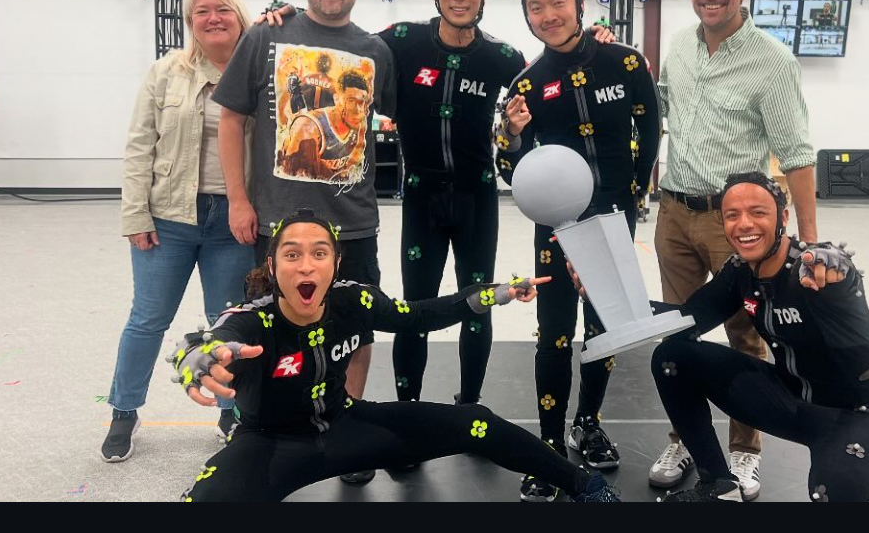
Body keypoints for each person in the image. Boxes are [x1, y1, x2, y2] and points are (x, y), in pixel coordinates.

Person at [260, 0, 615, 408]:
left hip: (477, 197)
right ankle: (409, 410)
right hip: (421, 198)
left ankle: (469, 405)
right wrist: (288, 17)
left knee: (480, 304)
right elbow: (340, 40)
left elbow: (554, 77)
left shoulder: (503, 57)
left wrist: (595, 42)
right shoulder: (401, 40)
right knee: (414, 307)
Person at [168, 209, 620, 503]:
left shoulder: (354, 300)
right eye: (292, 255)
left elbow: (419, 315)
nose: (306, 265)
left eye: (319, 253)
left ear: (335, 264)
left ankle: (586, 486)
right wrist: (197, 356)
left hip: (347, 429)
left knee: (476, 422)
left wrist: (494, 293)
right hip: (268, 445)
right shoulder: (254, 321)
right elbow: (212, 339)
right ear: (272, 266)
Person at [577, 172, 869, 502]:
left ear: (782, 218)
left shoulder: (810, 270)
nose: (744, 224)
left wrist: (834, 265)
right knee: (672, 356)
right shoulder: (740, 271)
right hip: (792, 403)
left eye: (758, 212)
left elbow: (837, 269)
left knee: (836, 491)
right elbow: (685, 320)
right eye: (732, 215)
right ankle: (719, 486)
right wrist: (603, 295)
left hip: (861, 413)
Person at [213, 0, 396, 485]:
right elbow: (231, 119)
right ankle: (263, 428)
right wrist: (238, 199)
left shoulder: (376, 51)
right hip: (278, 222)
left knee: (356, 327)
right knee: (271, 328)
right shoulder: (266, 35)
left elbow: (386, 120)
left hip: (352, 221)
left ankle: (345, 427)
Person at [649, 0, 818, 496]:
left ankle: (746, 450)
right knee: (676, 334)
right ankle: (685, 438)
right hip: (675, 213)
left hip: (736, 225)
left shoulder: (772, 61)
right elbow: (657, 108)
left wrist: (808, 244)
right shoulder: (679, 46)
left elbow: (797, 154)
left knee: (746, 337)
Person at [494, 0, 661, 501]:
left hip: (613, 218)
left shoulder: (625, 62)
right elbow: (509, 169)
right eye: (535, 7)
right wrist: (512, 135)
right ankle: (547, 445)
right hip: (556, 228)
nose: (548, 14)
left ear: (579, 3)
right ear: (527, 16)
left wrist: (633, 195)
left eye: (557, 2)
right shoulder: (525, 84)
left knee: (602, 326)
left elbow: (650, 130)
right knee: (554, 332)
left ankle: (587, 422)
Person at [106, 0, 257, 462]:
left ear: (239, 16)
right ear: (190, 21)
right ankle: (124, 410)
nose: (213, 18)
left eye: (222, 9)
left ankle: (231, 411)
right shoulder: (166, 72)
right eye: (202, 12)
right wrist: (135, 213)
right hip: (167, 217)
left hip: (233, 220)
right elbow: (139, 146)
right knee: (147, 319)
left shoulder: (260, 70)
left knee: (228, 323)